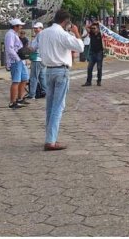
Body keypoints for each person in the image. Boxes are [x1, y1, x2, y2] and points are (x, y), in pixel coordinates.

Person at [32, 10, 84, 151]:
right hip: (61, 70)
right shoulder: (63, 34)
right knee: (58, 106)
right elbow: (80, 47)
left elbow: (33, 46)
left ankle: (50, 136)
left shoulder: (43, 33)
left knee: (50, 106)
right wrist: (76, 32)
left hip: (48, 70)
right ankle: (50, 141)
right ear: (66, 22)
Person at [4, 18, 30, 109]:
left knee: (24, 78)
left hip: (20, 60)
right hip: (15, 61)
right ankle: (12, 102)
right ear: (15, 26)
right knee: (16, 81)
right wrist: (17, 58)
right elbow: (9, 49)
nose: (21, 27)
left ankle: (20, 98)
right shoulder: (10, 34)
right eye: (20, 25)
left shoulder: (14, 34)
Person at [27, 22, 47, 99]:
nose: (35, 29)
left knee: (33, 77)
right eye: (34, 28)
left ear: (41, 28)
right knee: (42, 76)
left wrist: (32, 48)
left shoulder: (40, 35)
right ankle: (44, 91)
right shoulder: (41, 35)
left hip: (37, 58)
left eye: (37, 28)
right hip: (41, 58)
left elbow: (39, 45)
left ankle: (32, 94)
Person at [83, 22, 104, 87]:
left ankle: (99, 81)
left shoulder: (101, 34)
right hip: (92, 53)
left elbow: (103, 29)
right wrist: (92, 24)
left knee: (99, 68)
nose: (92, 29)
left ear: (98, 28)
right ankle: (88, 82)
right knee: (89, 68)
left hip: (99, 53)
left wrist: (98, 23)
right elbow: (86, 27)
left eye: (94, 28)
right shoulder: (91, 34)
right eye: (92, 28)